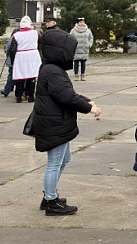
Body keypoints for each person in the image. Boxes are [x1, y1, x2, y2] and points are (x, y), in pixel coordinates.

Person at [30, 26, 101, 215]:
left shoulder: (53, 69)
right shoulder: (53, 71)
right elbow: (67, 98)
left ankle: (50, 196)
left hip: (55, 121)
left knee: (65, 158)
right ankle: (50, 202)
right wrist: (89, 108)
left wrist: (87, 100)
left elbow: (67, 93)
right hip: (54, 123)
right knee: (54, 163)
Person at [9, 16, 41, 103]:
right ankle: (30, 96)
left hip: (21, 56)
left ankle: (18, 96)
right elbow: (40, 45)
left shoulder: (16, 35)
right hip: (33, 56)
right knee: (32, 77)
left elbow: (12, 49)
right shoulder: (35, 33)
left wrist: (13, 61)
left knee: (20, 77)